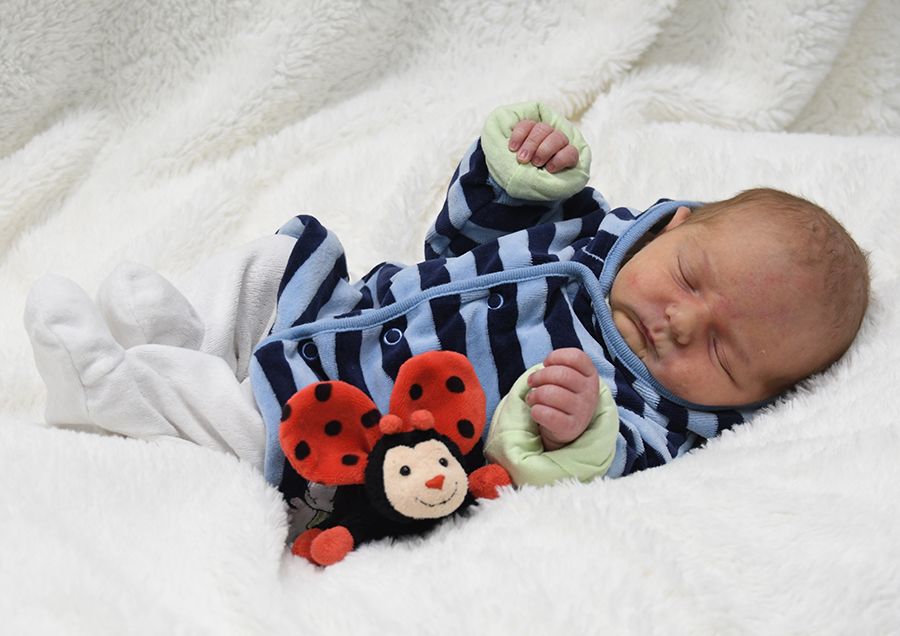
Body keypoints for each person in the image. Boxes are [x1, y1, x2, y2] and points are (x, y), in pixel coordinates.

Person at [24, 102, 869, 510]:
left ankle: (114, 391)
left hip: (357, 419)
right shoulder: (589, 232)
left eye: (722, 352)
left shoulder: (650, 417)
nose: (681, 321)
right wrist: (516, 179)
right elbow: (457, 241)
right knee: (286, 256)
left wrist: (578, 435)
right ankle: (191, 331)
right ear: (670, 226)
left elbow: (606, 473)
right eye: (687, 276)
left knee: (257, 427)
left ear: (754, 401)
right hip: (347, 306)